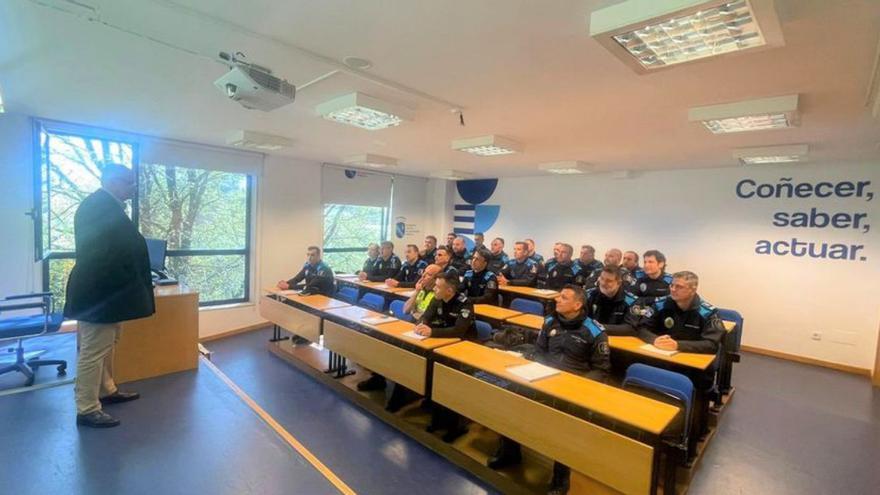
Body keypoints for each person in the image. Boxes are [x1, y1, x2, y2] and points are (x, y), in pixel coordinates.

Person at [487, 285, 610, 495]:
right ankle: (510, 451)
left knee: (562, 427)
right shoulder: (550, 321)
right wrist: (542, 371)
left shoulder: (595, 331)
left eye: (563, 298)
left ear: (578, 305)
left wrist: (572, 384)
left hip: (574, 387)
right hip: (544, 377)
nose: (557, 300)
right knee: (512, 397)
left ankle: (561, 478)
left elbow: (601, 370)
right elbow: (539, 351)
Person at [64, 164, 153, 428]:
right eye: (129, 183)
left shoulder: (106, 206)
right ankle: (87, 408)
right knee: (93, 350)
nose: (132, 188)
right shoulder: (99, 207)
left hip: (109, 294)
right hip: (99, 295)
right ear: (114, 182)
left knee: (106, 345)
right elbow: (106, 255)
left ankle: (107, 390)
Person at [361, 265, 441, 403]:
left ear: (436, 279)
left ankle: (401, 392)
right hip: (411, 325)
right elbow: (405, 309)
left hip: (423, 330)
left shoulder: (437, 296)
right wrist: (416, 292)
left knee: (401, 353)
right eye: (423, 273)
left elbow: (426, 318)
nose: (422, 277)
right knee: (382, 342)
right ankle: (378, 378)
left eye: (427, 275)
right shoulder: (421, 291)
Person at [415, 272, 475, 442]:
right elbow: (426, 316)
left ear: (449, 290)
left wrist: (432, 332)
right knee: (432, 372)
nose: (434, 289)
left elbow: (458, 331)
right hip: (442, 345)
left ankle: (455, 425)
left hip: (464, 348)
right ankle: (438, 418)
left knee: (450, 381)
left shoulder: (465, 303)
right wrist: (422, 325)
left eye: (438, 286)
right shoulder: (437, 299)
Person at [584, 267, 638, 335]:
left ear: (618, 283)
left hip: (617, 341)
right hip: (592, 338)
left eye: (608, 281)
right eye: (602, 278)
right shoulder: (589, 295)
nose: (603, 283)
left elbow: (631, 328)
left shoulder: (631, 301)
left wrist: (600, 327)